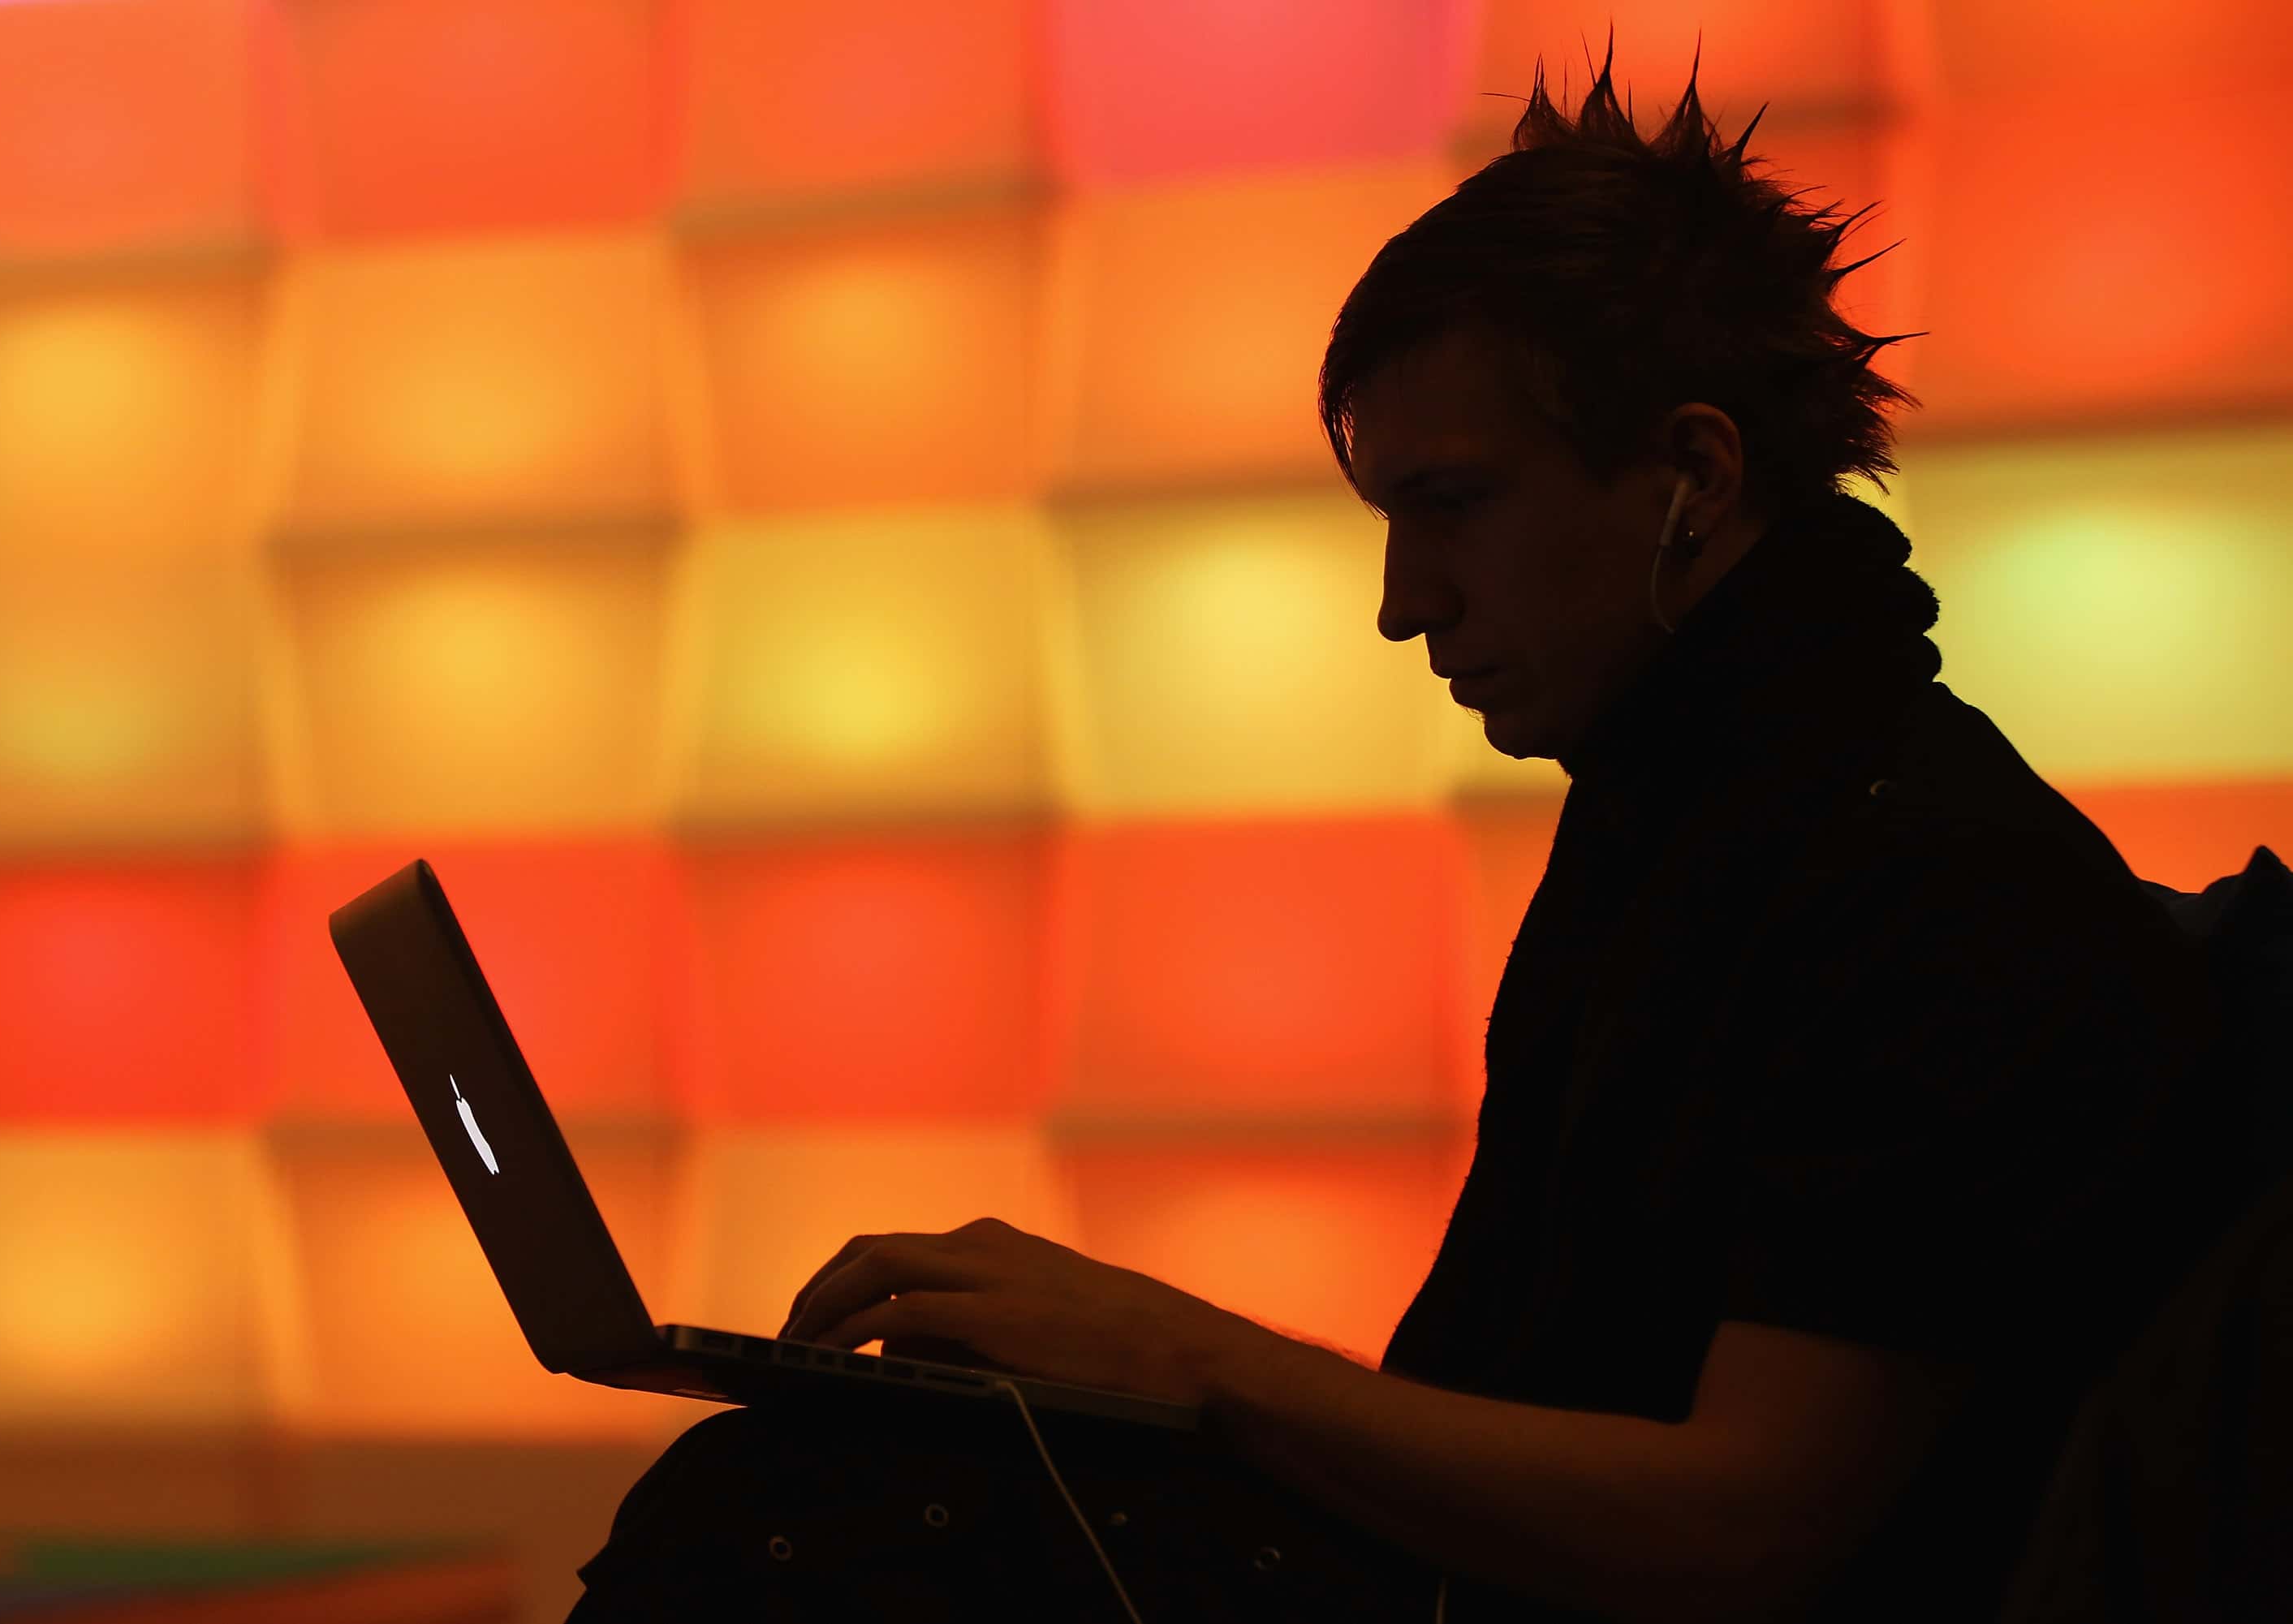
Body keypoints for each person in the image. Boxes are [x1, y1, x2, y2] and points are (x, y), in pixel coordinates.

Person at [567, 31, 2239, 1623]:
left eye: (1450, 506)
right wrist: (1123, 1374)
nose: (1402, 600)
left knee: (792, 1528)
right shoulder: (1697, 823)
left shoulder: (1928, 879)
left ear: (1697, 476)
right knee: (814, 1484)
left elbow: (1745, 1529)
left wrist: (1186, 1357)